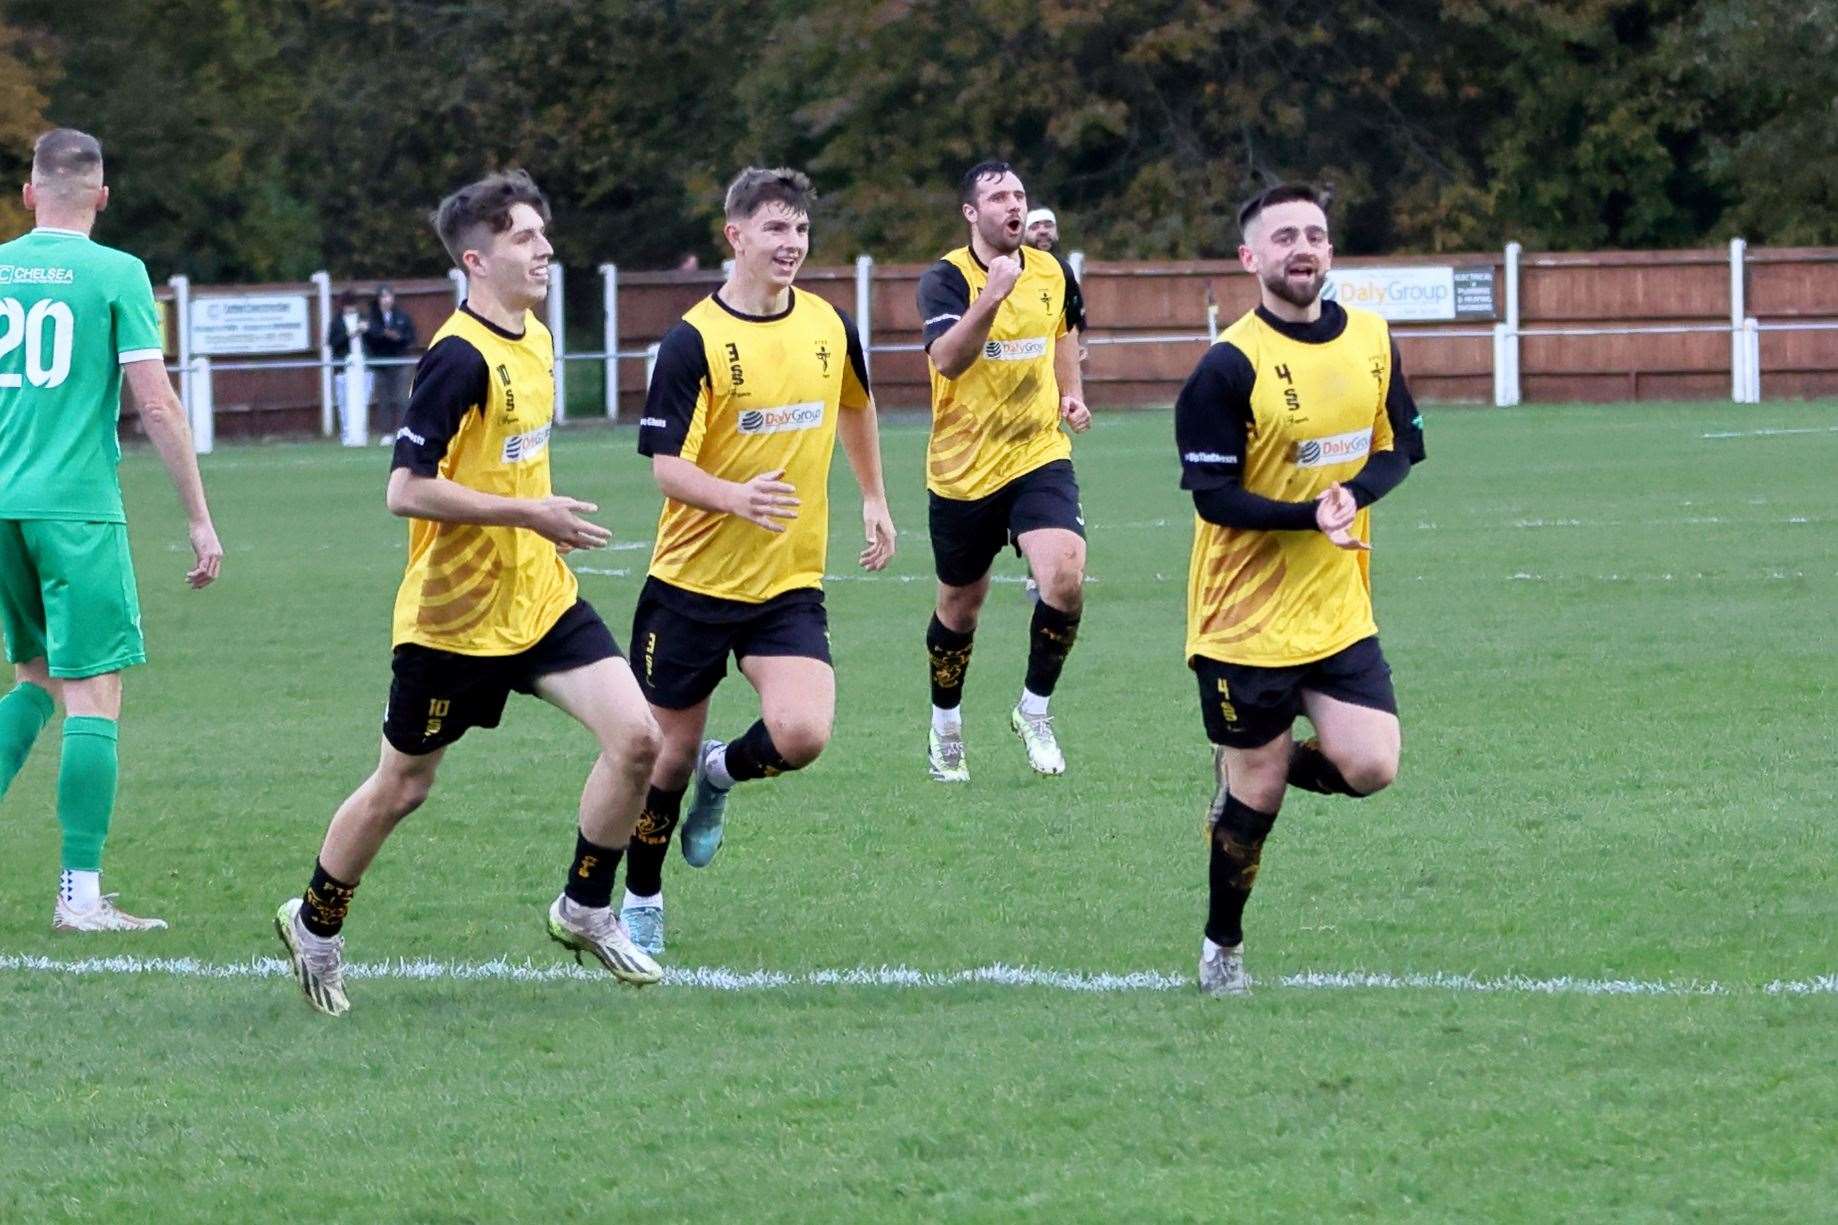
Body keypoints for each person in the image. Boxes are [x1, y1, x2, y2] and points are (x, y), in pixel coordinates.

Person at [274, 170, 662, 1016]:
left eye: (544, 235)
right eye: (526, 238)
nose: (546, 249)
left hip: (539, 596)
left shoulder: (536, 336)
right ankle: (316, 922)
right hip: (452, 619)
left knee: (638, 739)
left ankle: (584, 907)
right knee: (403, 787)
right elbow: (405, 489)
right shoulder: (457, 358)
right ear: (477, 259)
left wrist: (532, 527)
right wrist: (528, 510)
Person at [618, 167, 894, 956]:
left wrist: (874, 496)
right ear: (734, 236)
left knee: (803, 733)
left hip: (786, 581)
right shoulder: (693, 340)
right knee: (661, 756)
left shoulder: (829, 326)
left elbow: (856, 404)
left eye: (801, 229)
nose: (792, 244)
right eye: (775, 228)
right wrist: (735, 497)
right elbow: (664, 467)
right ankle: (641, 895)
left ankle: (723, 776)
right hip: (691, 584)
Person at [1172, 183, 1426, 997]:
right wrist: (1308, 515)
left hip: (1338, 610)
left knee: (1372, 764)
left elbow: (1397, 449)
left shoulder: (1374, 340)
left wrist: (1357, 494)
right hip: (1242, 623)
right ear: (1251, 258)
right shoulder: (1226, 366)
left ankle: (1258, 765)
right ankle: (1222, 949)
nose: (1302, 248)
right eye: (1283, 237)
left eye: (1314, 233)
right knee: (1257, 801)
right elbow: (1214, 498)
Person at [0, 128, 223, 932]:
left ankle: (81, 894)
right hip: (76, 506)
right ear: (101, 196)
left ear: (29, 194)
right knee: (96, 690)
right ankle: (81, 897)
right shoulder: (119, 273)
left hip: (3, 506)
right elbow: (155, 403)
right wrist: (199, 517)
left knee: (35, 678)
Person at [915, 161, 1090, 784]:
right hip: (963, 472)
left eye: (1019, 193)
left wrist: (1070, 392)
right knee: (960, 610)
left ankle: (1034, 711)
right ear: (972, 213)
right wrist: (993, 293)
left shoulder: (1052, 270)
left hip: (1037, 453)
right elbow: (949, 360)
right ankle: (945, 728)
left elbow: (1062, 330)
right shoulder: (945, 280)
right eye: (998, 197)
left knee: (1064, 578)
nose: (1014, 205)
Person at [366, 285, 418, 444]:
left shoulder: (402, 316)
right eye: (383, 297)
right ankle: (386, 433)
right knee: (384, 399)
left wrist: (398, 338)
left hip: (400, 362)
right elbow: (370, 337)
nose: (386, 300)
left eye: (389, 296)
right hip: (381, 364)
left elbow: (410, 337)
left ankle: (403, 431)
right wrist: (384, 334)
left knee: (403, 398)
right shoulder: (373, 318)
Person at [326, 290, 373, 439]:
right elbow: (332, 342)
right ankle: (346, 434)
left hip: (364, 366)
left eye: (352, 305)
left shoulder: (364, 319)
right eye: (347, 305)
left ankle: (361, 433)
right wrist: (349, 334)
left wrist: (367, 331)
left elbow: (375, 341)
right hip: (343, 368)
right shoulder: (336, 321)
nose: (350, 308)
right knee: (344, 403)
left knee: (364, 401)